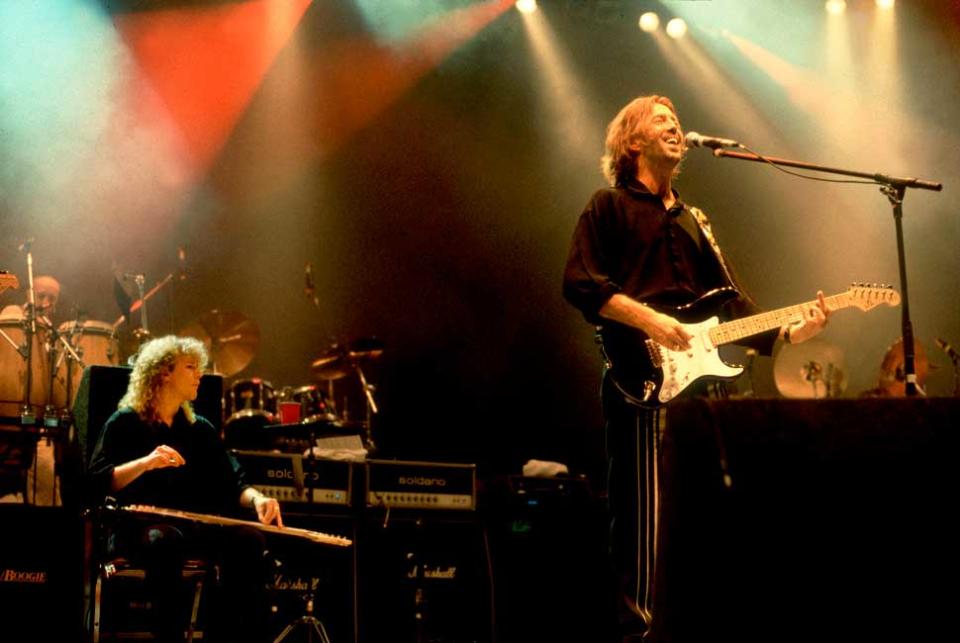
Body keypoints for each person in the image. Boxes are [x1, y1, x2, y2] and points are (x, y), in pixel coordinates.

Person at [562, 95, 830, 641]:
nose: (674, 126)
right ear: (632, 142)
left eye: (677, 121)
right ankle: (639, 630)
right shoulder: (607, 206)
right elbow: (582, 284)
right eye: (661, 120)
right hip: (643, 377)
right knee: (644, 519)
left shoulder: (695, 221)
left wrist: (789, 331)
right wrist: (652, 323)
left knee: (710, 508)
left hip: (703, 383)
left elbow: (730, 304)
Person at [88, 335, 283, 643]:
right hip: (138, 530)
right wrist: (146, 463)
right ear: (164, 372)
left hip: (190, 529)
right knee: (164, 540)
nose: (199, 375)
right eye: (190, 367)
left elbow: (234, 482)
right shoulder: (124, 422)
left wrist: (258, 499)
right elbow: (99, 480)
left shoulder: (199, 429)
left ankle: (227, 635)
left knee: (248, 539)